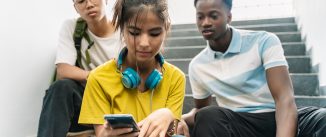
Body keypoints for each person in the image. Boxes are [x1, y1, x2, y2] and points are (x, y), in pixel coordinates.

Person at [177, 0, 326, 137]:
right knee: (207, 116)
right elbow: (200, 111)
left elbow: (284, 99)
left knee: (323, 118)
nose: (205, 23)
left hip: (276, 116)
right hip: (239, 124)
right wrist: (176, 119)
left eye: (213, 16)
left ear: (228, 17)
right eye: (200, 17)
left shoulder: (264, 41)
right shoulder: (198, 65)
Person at [78, 0, 186, 137]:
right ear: (122, 29)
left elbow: (172, 131)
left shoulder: (176, 78)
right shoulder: (98, 78)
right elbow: (101, 133)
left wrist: (169, 116)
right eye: (134, 33)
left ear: (166, 29)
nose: (144, 43)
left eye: (154, 34)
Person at [37, 0, 124, 136]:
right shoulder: (71, 27)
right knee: (61, 87)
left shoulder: (125, 29)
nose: (89, 5)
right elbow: (63, 70)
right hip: (86, 103)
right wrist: (96, 77)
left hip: (117, 101)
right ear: (76, 8)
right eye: (81, 1)